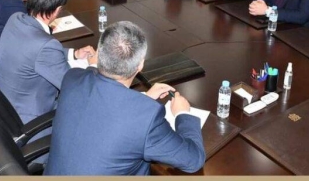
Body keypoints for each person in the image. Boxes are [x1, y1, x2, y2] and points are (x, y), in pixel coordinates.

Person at [44, 21, 205, 175]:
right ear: (140, 65)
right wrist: (182, 114)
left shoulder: (73, 77)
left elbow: (103, 105)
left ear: (99, 54)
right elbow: (194, 160)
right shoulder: (147, 118)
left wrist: (144, 100)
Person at [0, 0, 96, 126]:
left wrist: (73, 54)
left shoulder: (15, 19)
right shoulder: (46, 46)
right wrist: (93, 66)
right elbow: (74, 87)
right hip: (30, 121)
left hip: (4, 107)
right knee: (92, 105)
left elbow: (35, 52)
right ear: (57, 10)